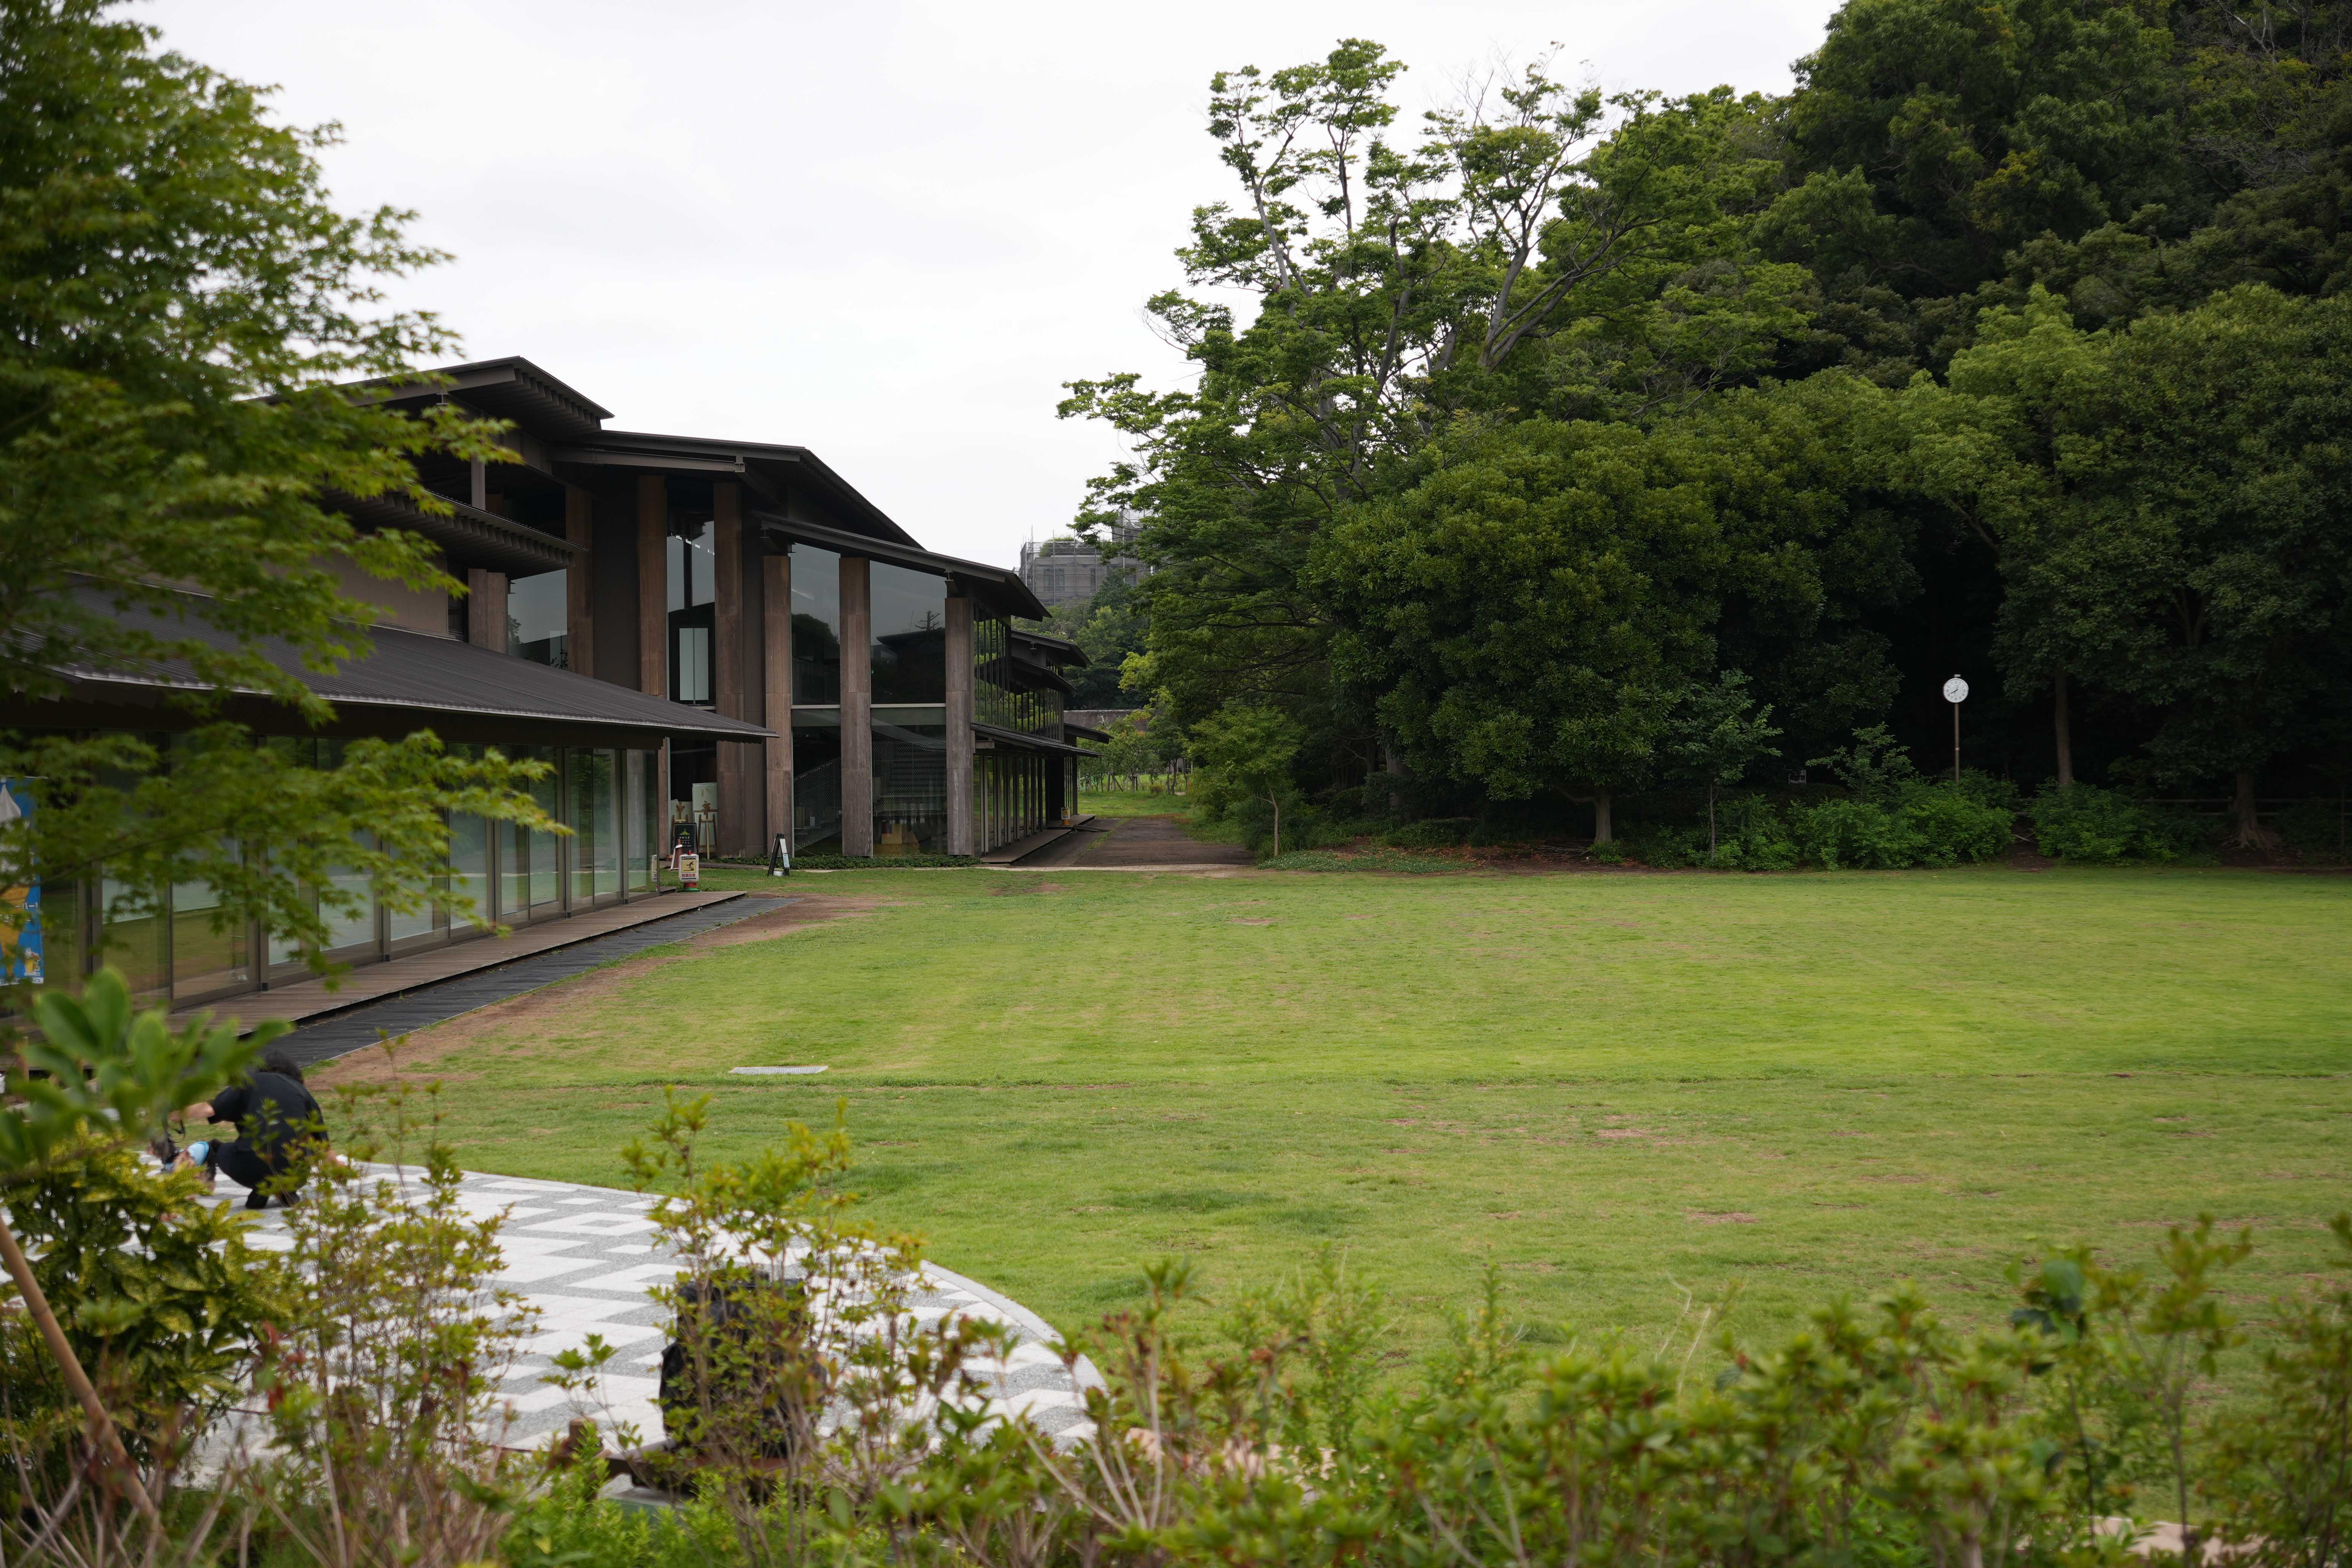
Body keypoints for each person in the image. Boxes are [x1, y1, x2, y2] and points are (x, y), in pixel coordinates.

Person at [181, 1049, 324, 1209]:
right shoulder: (301, 1090)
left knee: (214, 1147)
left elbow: (210, 1110)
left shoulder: (253, 1082)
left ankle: (261, 1186)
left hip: (251, 1166)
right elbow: (323, 1144)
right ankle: (284, 1189)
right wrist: (339, 1168)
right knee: (287, 1155)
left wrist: (176, 1113)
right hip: (297, 1171)